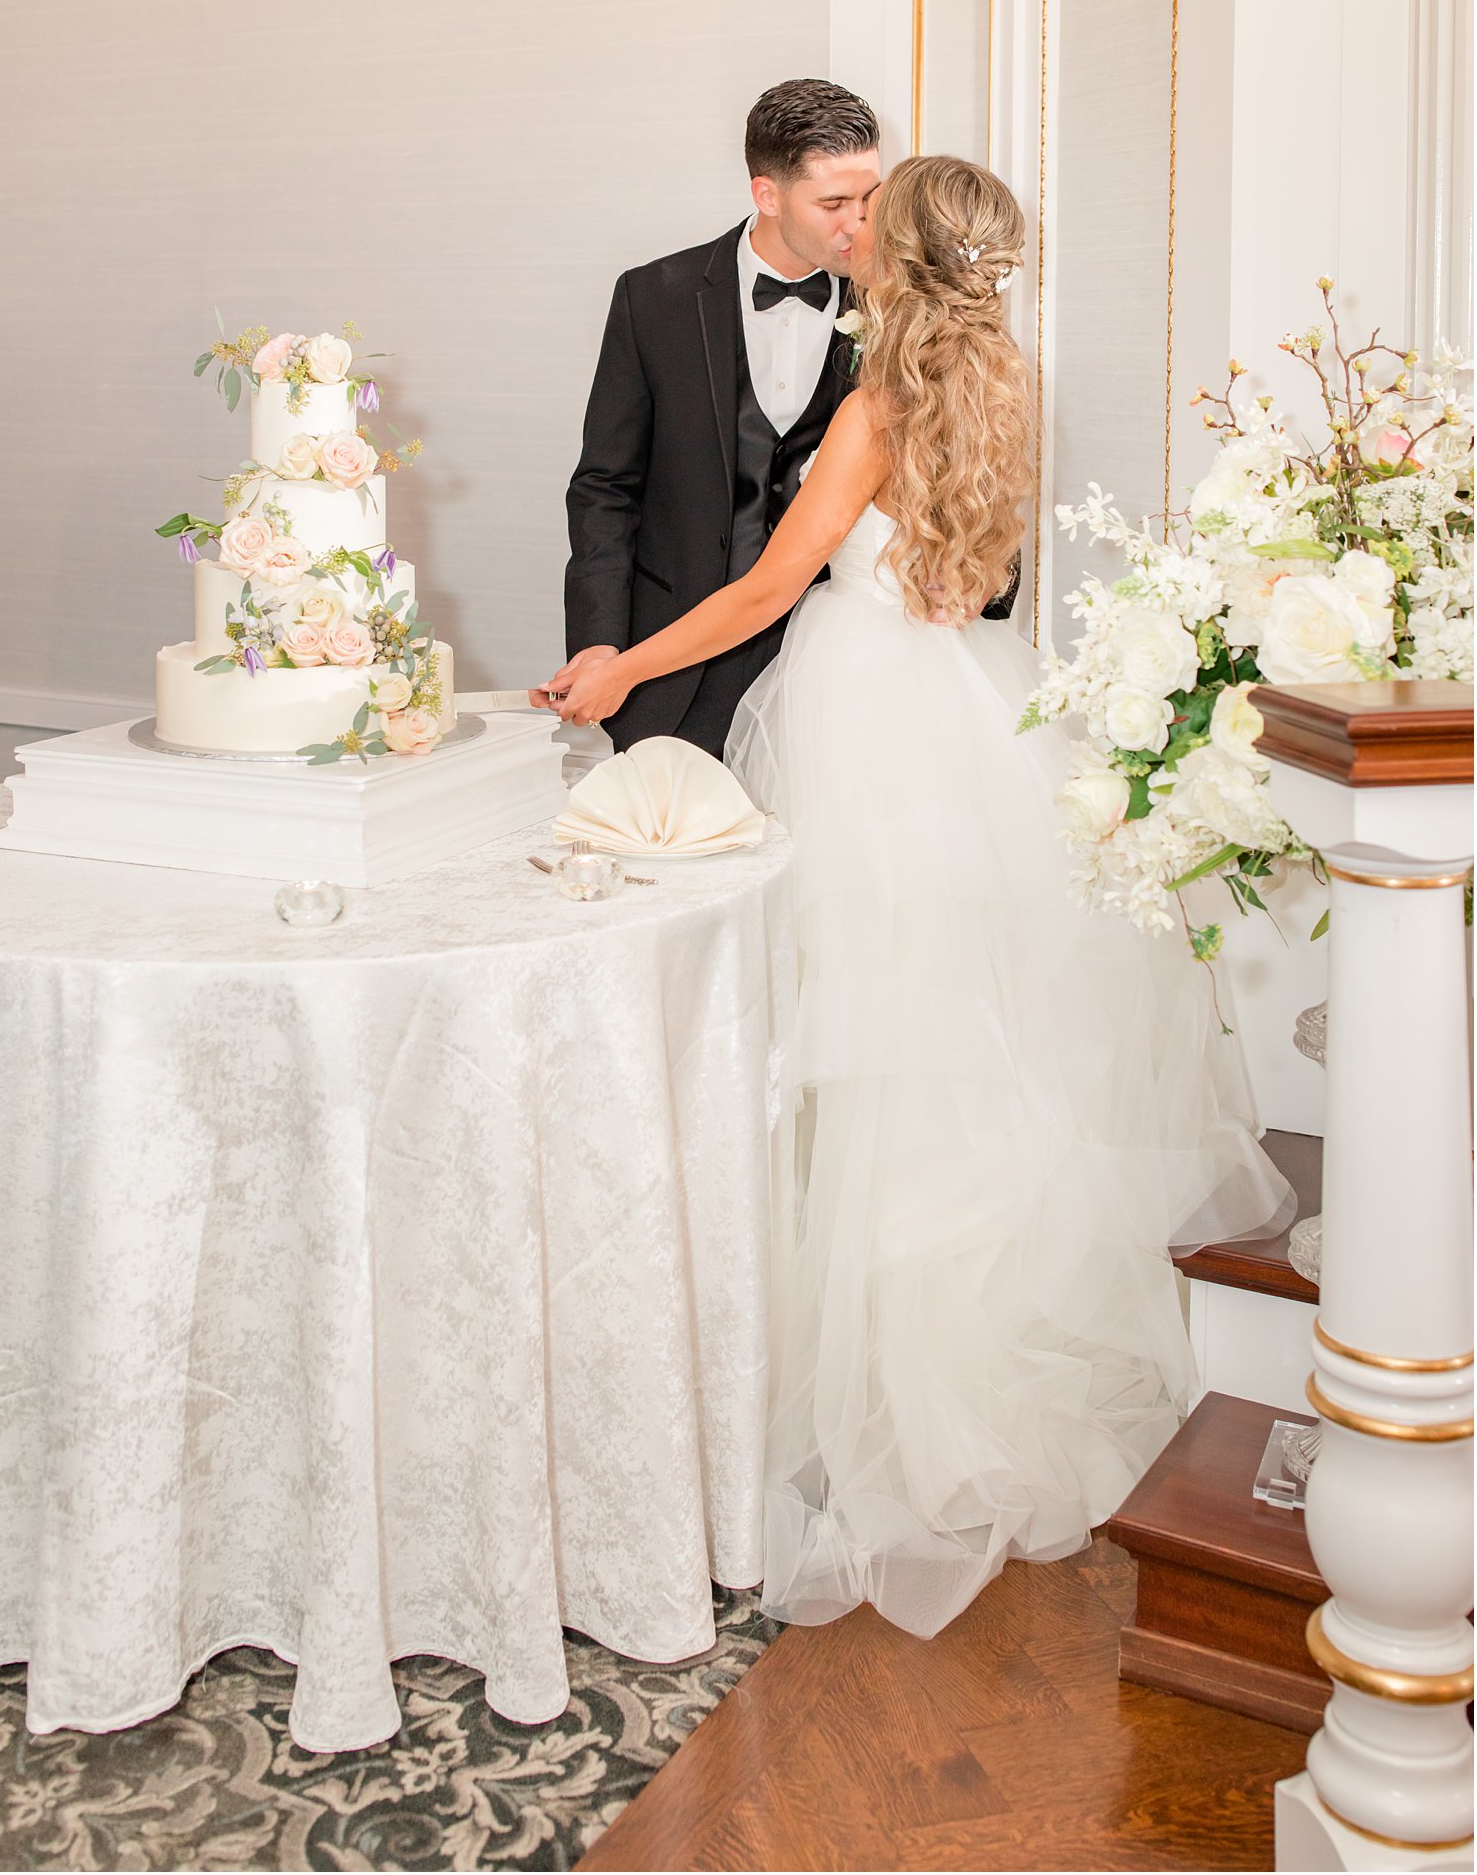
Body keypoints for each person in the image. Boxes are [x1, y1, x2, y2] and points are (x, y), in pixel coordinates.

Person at [546, 154, 1294, 1636]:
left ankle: (882, 1399)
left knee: (860, 1061)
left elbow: (767, 593)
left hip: (862, 720)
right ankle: (953, 1361)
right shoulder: (1002, 386)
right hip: (967, 704)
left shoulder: (875, 407)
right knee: (955, 1054)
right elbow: (982, 578)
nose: (854, 240)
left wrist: (622, 664)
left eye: (871, 229)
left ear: (895, 260)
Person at [540, 79, 1015, 757]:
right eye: (833, 203)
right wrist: (602, 646)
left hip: (834, 678)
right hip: (668, 669)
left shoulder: (905, 304)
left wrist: (981, 579)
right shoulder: (653, 298)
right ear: (768, 194)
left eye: (868, 200)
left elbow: (970, 477)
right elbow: (603, 489)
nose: (856, 225)